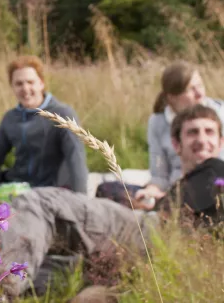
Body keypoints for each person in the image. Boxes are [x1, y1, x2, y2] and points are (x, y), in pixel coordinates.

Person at [0, 104, 224, 297]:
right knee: (49, 271)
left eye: (209, 132)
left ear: (221, 142)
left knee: (40, 203)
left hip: (155, 233)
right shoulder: (179, 185)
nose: (202, 139)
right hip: (145, 261)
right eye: (193, 132)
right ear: (176, 144)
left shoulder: (217, 170)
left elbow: (173, 218)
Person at [96, 61, 224, 207]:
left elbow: (217, 169)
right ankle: (158, 206)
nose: (200, 94)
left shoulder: (218, 116)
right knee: (107, 189)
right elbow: (159, 171)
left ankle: (163, 208)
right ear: (172, 97)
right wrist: (151, 191)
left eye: (200, 85)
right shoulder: (158, 122)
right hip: (171, 189)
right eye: (191, 89)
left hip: (209, 188)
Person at [0, 55, 88, 203]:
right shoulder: (10, 118)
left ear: (41, 83)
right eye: (19, 84)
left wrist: (82, 202)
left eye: (30, 82)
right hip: (16, 186)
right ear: (12, 87)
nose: (25, 89)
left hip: (48, 192)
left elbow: (76, 158)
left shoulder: (62, 114)